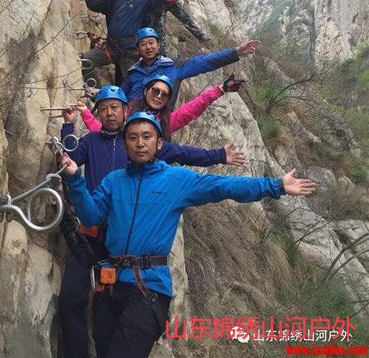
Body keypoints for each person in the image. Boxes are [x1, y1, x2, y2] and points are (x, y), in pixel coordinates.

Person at [61, 112, 316, 358]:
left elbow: (224, 186)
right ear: (125, 143)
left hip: (148, 289)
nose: (140, 143)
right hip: (110, 287)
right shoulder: (113, 181)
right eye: (133, 137)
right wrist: (75, 179)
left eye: (147, 136)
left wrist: (276, 185)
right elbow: (91, 216)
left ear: (159, 143)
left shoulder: (176, 180)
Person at [58, 87, 246, 358]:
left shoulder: (144, 144)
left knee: (117, 323)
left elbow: (184, 153)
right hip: (93, 234)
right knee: (72, 298)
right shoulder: (93, 143)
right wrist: (68, 127)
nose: (109, 113)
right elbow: (69, 160)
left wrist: (218, 155)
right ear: (97, 113)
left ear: (126, 111)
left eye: (115, 107)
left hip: (124, 249)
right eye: (104, 108)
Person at [77, 72, 245, 145]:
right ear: (146, 91)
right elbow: (104, 130)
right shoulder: (129, 111)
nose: (158, 96)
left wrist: (220, 89)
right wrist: (85, 112)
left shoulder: (165, 122)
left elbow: (192, 108)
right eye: (155, 91)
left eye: (164, 95)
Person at [82, 0, 174, 86]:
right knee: (86, 60)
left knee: (130, 84)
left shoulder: (142, 3)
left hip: (129, 52)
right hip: (111, 47)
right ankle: (95, 91)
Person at [121, 27, 259, 103]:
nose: (148, 47)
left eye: (151, 43)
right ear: (138, 49)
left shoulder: (174, 66)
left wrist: (235, 52)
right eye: (143, 44)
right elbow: (120, 98)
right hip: (130, 127)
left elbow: (204, 62)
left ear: (158, 45)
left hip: (159, 127)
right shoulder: (133, 73)